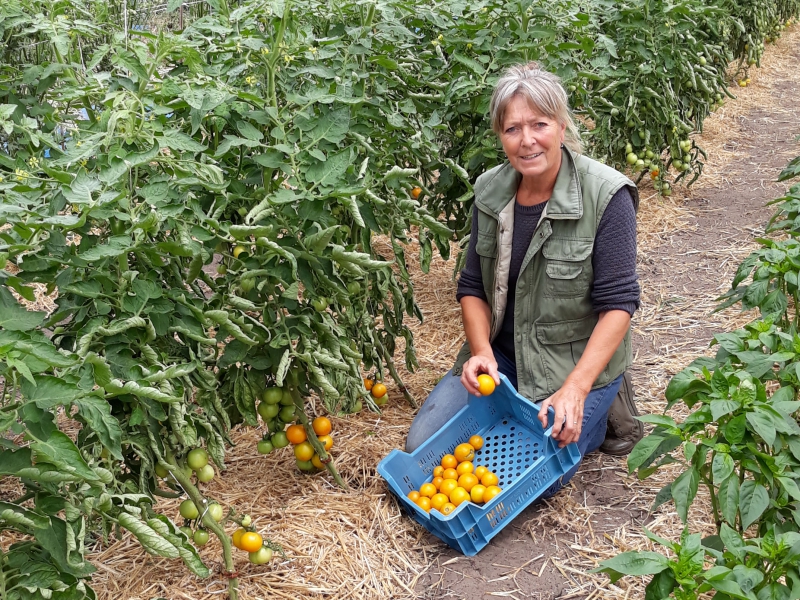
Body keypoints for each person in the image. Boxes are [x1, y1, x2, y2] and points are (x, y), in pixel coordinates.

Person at [405, 62, 642, 496]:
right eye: (513, 128)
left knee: (530, 480)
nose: (527, 140)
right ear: (500, 135)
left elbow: (619, 303)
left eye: (539, 124)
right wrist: (480, 353)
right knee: (421, 450)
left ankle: (601, 408)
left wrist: (574, 389)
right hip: (506, 360)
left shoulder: (606, 195)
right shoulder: (490, 191)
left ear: (562, 124)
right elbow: (473, 286)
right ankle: (549, 411)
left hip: (568, 364)